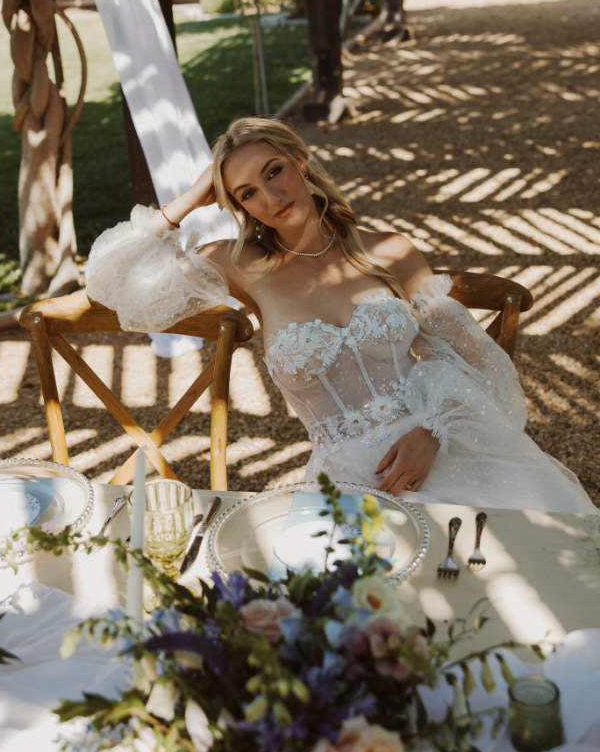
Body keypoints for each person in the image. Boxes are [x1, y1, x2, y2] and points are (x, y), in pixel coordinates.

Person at [86, 117, 597, 513]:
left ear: (300, 161)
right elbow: (112, 285)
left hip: (442, 452)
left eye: (274, 172)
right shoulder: (243, 267)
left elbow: (484, 365)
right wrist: (191, 199)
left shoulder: (392, 253)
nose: (272, 196)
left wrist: (436, 432)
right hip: (348, 485)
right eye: (247, 194)